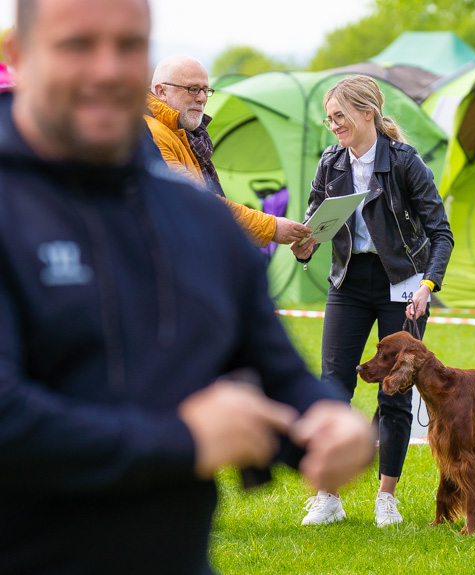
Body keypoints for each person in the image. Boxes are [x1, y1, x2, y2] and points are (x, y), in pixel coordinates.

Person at [0, 1, 373, 573]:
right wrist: (183, 441)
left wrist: (328, 419)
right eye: (77, 45)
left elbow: (276, 371)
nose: (106, 68)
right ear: (18, 57)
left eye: (127, 46)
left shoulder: (195, 218)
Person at [291, 74, 454, 528]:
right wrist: (304, 244)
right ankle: (328, 496)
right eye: (329, 119)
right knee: (333, 387)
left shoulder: (404, 162)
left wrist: (427, 287)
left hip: (403, 283)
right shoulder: (330, 161)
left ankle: (387, 497)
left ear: (368, 113)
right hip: (348, 282)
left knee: (395, 390)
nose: (333, 125)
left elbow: (441, 233)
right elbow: (313, 224)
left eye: (339, 115)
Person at [145, 54, 311, 247]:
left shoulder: (186, 135)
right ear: (161, 91)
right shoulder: (152, 132)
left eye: (206, 91)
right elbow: (194, 201)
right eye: (192, 89)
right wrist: (271, 227)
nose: (201, 98)